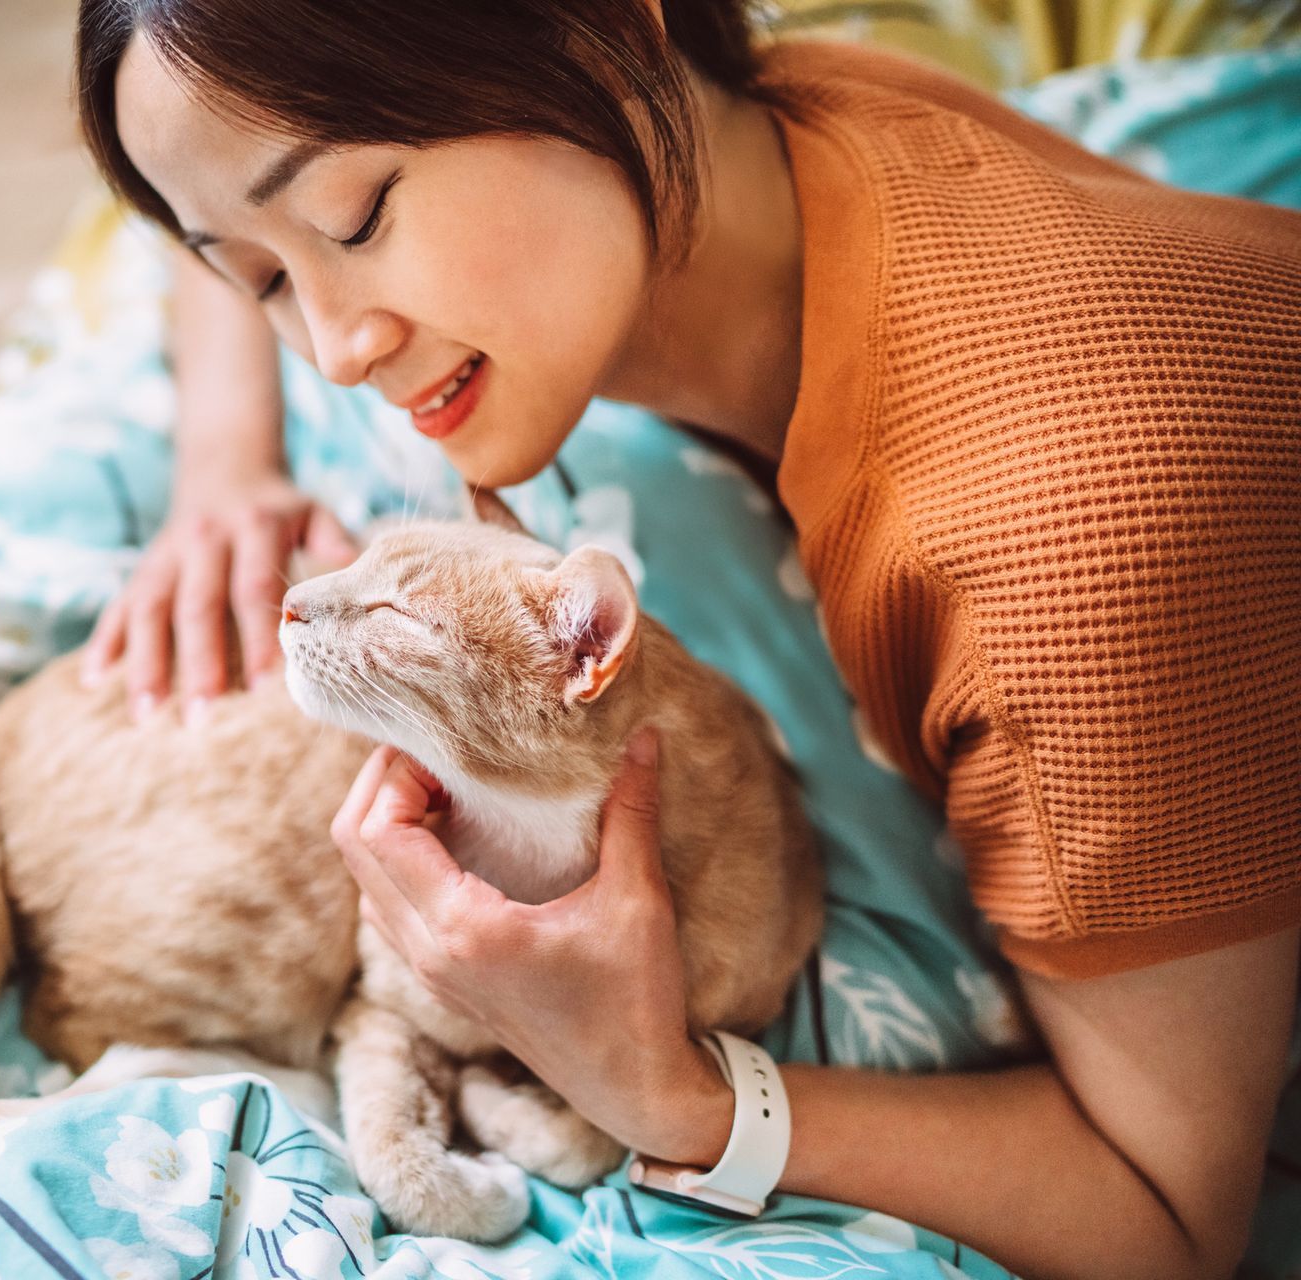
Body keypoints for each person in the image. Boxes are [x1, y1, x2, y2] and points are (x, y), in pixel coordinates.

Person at [72, 1, 1301, 1275]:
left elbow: (1167, 1214)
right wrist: (223, 458)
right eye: (267, 278)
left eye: (360, 219)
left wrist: (673, 1095)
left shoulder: (1066, 557)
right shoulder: (768, 137)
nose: (334, 350)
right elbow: (217, 152)